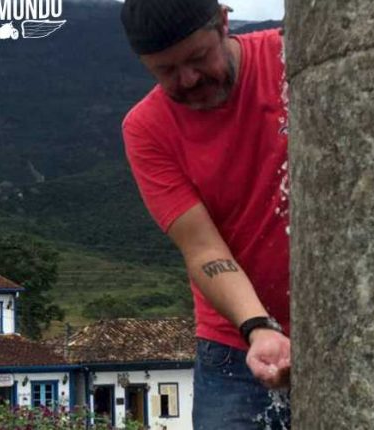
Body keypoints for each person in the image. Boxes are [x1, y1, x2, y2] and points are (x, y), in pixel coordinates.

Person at [120, 0, 291, 428]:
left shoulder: (289, 58)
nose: (188, 79)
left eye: (198, 57)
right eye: (166, 70)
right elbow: (202, 247)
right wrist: (258, 327)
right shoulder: (146, 128)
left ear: (223, 23)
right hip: (237, 348)